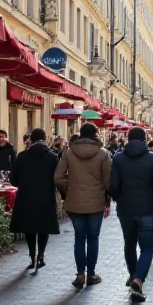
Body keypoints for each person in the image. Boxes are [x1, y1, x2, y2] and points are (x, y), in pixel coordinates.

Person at [54, 123, 111, 288]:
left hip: (75, 201)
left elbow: (58, 177)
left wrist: (67, 190)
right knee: (93, 238)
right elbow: (108, 181)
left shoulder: (69, 152)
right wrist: (107, 198)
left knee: (79, 238)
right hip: (96, 202)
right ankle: (91, 274)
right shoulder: (103, 154)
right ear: (95, 135)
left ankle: (80, 274)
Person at [110, 127, 153, 303]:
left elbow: (114, 185)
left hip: (125, 209)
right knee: (147, 247)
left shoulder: (118, 158)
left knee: (129, 243)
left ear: (128, 139)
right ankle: (139, 279)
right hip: (147, 209)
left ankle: (133, 275)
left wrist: (117, 198)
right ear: (145, 139)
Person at [10, 128, 59, 273]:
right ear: (44, 139)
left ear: (31, 139)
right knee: (44, 227)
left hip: (26, 196)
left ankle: (32, 256)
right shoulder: (52, 157)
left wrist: (23, 184)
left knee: (29, 227)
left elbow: (13, 179)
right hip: (45, 196)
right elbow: (57, 178)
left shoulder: (22, 156)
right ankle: (41, 255)